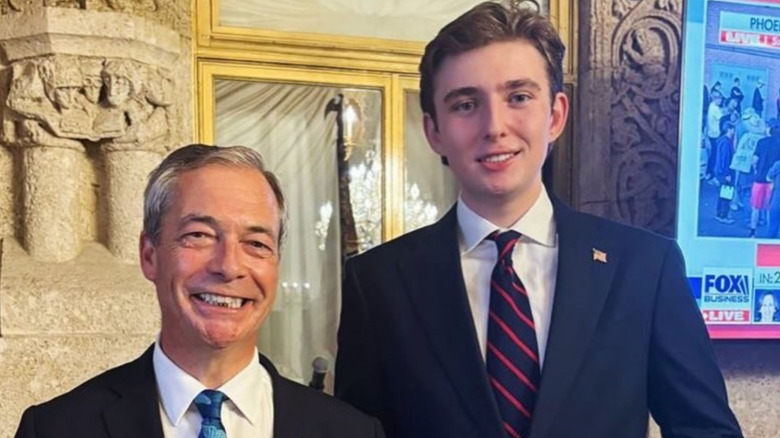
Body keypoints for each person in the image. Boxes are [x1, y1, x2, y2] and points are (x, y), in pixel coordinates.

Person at [335, 3, 742, 438]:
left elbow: (707, 430)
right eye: (466, 105)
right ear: (434, 132)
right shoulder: (378, 282)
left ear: (555, 115)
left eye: (518, 97)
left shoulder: (644, 267)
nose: (495, 126)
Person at [14, 145, 385, 438]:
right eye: (199, 236)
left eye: (256, 243)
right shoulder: (55, 429)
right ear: (149, 256)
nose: (229, 266)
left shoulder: (351, 431)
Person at [749, 119, 780, 237]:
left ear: (769, 129)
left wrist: (756, 171)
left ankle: (753, 232)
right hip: (774, 182)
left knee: (756, 207)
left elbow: (754, 160)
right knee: (770, 209)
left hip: (759, 179)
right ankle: (769, 234)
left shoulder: (761, 142)